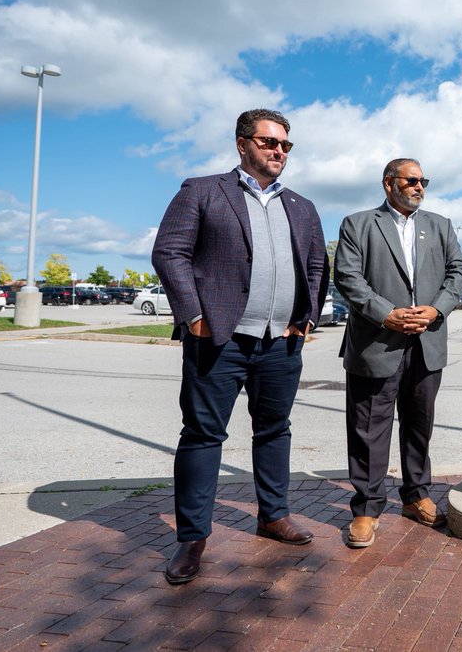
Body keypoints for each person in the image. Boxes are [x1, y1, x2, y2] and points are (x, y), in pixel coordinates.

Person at [152, 108, 329, 585]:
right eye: (269, 142)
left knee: (275, 430)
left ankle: (273, 515)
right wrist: (194, 316)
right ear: (242, 143)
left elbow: (316, 266)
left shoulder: (303, 206)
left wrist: (306, 319)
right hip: (219, 341)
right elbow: (169, 252)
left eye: (285, 145)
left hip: (281, 344)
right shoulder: (203, 190)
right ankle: (192, 538)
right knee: (203, 435)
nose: (278, 151)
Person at [334, 158, 462, 549]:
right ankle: (365, 510)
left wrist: (437, 308)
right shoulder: (358, 224)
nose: (420, 186)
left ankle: (415, 495)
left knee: (419, 425)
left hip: (427, 344)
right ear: (388, 183)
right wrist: (385, 314)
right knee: (368, 431)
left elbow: (457, 274)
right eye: (412, 180)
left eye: (424, 180)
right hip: (376, 344)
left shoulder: (439, 225)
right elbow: (347, 277)